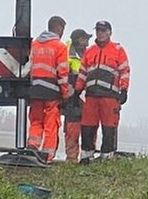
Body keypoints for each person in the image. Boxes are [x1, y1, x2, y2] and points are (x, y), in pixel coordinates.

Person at [80, 20, 131, 161]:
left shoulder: (118, 50)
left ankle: (107, 156)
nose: (100, 33)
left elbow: (124, 71)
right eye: (98, 30)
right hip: (91, 95)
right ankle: (86, 156)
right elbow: (82, 72)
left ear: (109, 32)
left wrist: (124, 89)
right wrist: (77, 90)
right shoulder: (89, 51)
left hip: (110, 96)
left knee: (109, 126)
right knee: (87, 126)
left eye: (103, 30)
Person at [25, 16, 70, 161]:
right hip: (52, 91)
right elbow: (62, 73)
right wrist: (65, 94)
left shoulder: (35, 44)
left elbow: (30, 66)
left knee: (36, 120)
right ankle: (47, 155)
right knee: (51, 124)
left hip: (35, 89)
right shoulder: (60, 47)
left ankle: (32, 146)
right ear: (59, 28)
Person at [61, 27, 90, 163]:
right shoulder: (67, 54)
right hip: (72, 98)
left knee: (89, 128)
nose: (88, 44)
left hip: (85, 96)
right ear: (79, 41)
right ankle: (71, 158)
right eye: (85, 40)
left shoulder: (88, 54)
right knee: (72, 128)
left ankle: (86, 157)